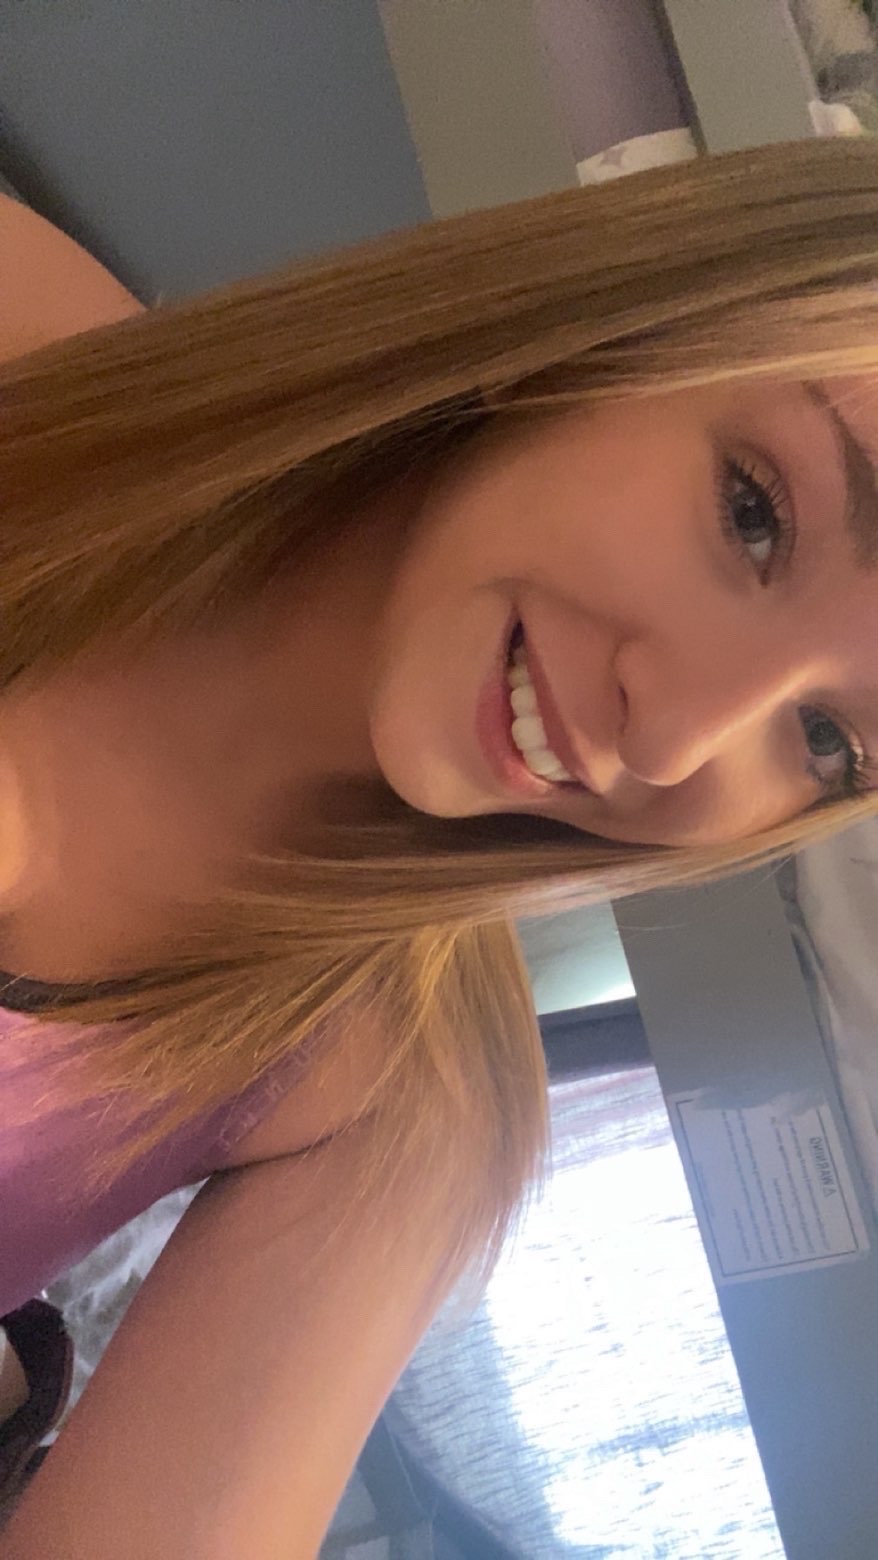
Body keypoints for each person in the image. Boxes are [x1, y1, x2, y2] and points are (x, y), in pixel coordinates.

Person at [1, 134, 878, 1556]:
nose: (675, 742)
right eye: (752, 516)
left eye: (828, 740)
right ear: (608, 321)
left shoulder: (402, 1105)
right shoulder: (28, 344)